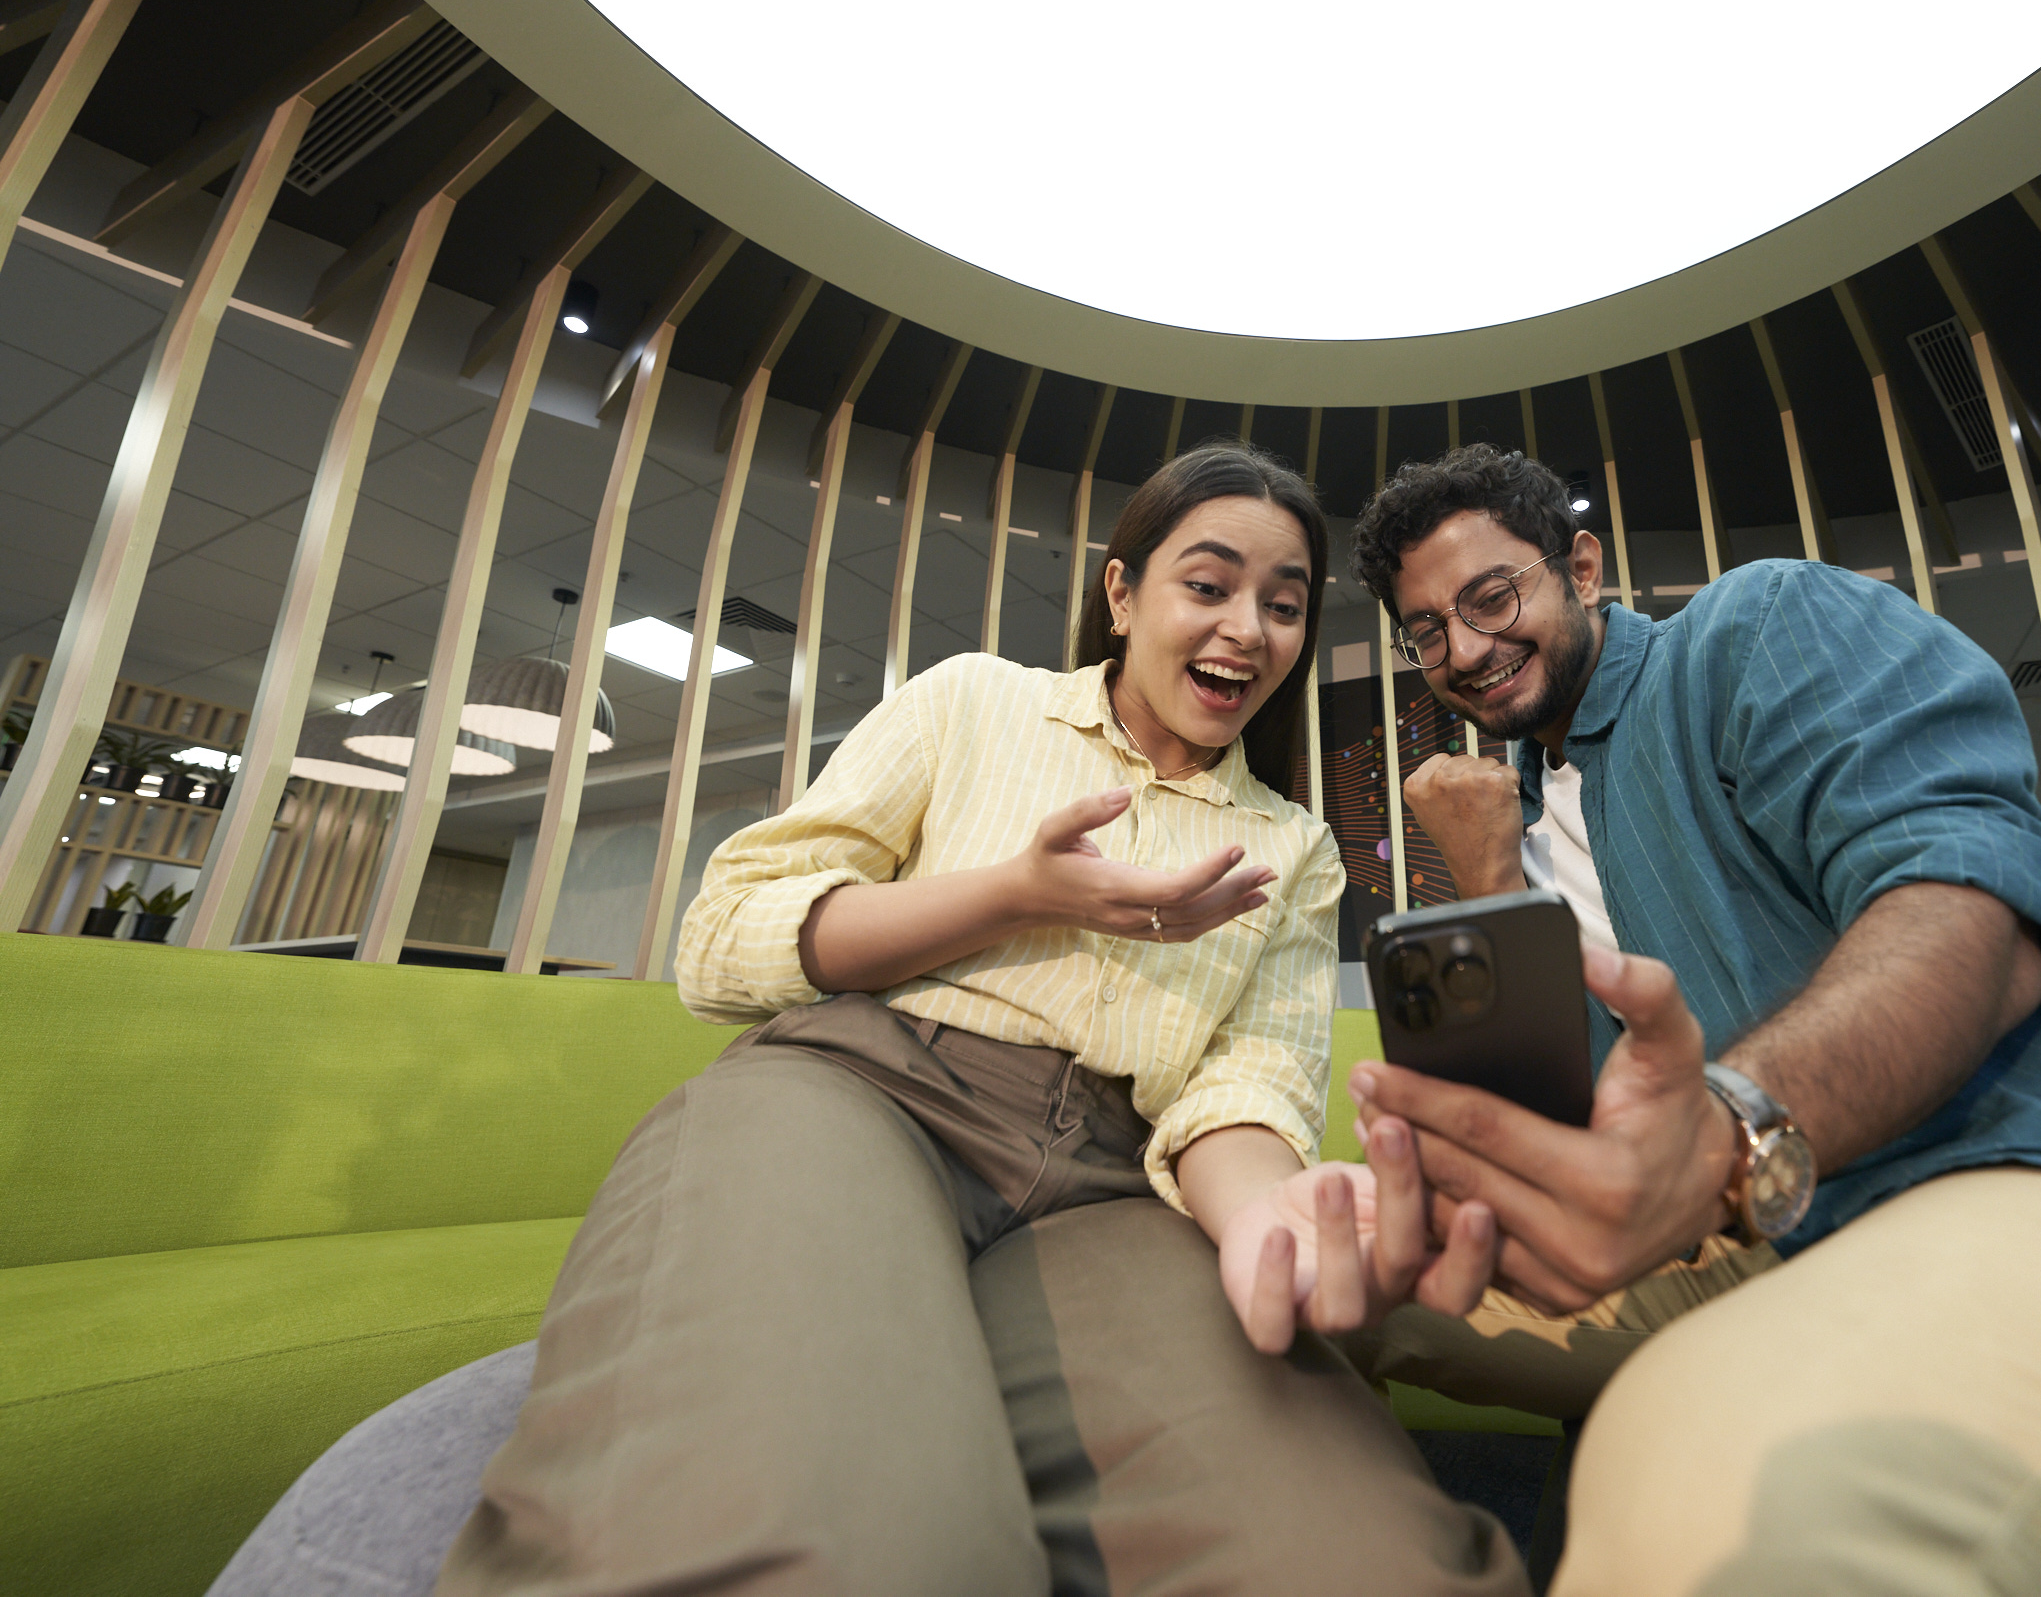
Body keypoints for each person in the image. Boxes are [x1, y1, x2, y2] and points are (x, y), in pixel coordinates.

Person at [1343, 444, 2041, 1595]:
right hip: (1767, 1228)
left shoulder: (1753, 629)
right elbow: (1568, 1121)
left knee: (1738, 1524)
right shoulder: (1532, 821)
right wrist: (1489, 868)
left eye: (1492, 596)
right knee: (1315, 1279)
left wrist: (1718, 1130)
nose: (1467, 647)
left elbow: (1963, 918)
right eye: (1428, 629)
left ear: (1582, 566)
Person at [432, 444, 1526, 1597]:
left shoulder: (1293, 845)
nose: (1247, 629)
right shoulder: (972, 701)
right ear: (1121, 592)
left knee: (1352, 1556)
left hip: (1113, 1185)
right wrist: (1015, 892)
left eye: (1284, 604)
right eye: (1206, 585)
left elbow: (1242, 1084)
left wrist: (1262, 1218)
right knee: (823, 1526)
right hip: (859, 1093)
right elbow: (722, 937)